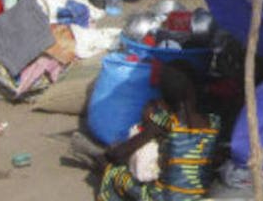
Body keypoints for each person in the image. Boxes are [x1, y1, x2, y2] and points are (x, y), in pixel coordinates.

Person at [92, 61, 221, 201]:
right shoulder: (213, 122)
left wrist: (109, 157)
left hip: (164, 198)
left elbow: (120, 153)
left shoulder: (165, 122)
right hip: (198, 196)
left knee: (113, 173)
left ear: (164, 95)